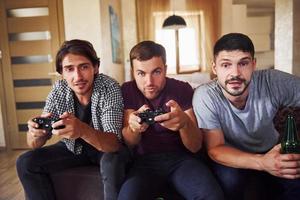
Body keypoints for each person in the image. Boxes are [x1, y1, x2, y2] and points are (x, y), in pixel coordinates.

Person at [193, 32, 300, 200]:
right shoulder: (205, 95)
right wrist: (262, 163)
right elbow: (215, 149)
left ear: (254, 64)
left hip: (271, 148)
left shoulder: (272, 81)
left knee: (294, 177)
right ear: (214, 68)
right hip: (230, 155)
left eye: (243, 63)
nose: (235, 73)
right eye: (226, 65)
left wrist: (269, 159)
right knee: (231, 181)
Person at [16, 39, 124, 200]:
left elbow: (114, 144)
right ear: (62, 73)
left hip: (103, 148)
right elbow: (34, 144)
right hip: (72, 148)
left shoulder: (109, 87)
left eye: (84, 67)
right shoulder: (59, 89)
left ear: (95, 68)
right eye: (69, 69)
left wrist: (82, 130)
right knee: (25, 162)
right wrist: (36, 133)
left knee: (112, 163)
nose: (77, 76)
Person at [118, 40, 223, 200]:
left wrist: (184, 124)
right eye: (141, 73)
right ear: (133, 72)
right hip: (143, 163)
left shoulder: (182, 89)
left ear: (165, 69)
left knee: (212, 196)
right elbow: (130, 142)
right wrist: (134, 128)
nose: (149, 82)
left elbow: (195, 146)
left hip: (181, 159)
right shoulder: (127, 90)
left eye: (156, 72)